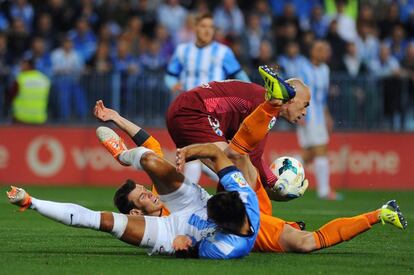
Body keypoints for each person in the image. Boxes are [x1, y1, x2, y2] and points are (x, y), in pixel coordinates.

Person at [91, 69, 407, 254]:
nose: (305, 113)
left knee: (240, 161)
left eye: (141, 191)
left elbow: (152, 146)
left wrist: (118, 118)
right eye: (305, 105)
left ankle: (380, 212)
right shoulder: (157, 226)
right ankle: (379, 213)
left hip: (242, 211)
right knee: (303, 239)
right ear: (136, 213)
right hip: (198, 120)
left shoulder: (164, 204)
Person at [7, 138, 260, 259]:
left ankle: (32, 202)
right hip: (193, 202)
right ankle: (125, 155)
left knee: (100, 221)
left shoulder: (227, 249)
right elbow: (217, 155)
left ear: (224, 227)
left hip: (169, 232)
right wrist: (189, 152)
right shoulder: (245, 196)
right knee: (149, 159)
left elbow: (190, 251)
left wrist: (184, 245)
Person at [166, 65, 308, 200]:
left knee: (235, 172)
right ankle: (221, 220)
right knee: (240, 174)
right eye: (305, 105)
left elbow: (247, 157)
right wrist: (277, 184)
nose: (305, 112)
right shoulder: (266, 107)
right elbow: (254, 159)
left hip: (185, 108)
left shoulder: (260, 99)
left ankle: (218, 218)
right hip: (193, 112)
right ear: (292, 100)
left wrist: (275, 185)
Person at [164, 12, 250, 184]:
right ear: (195, 28)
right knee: (199, 156)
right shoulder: (183, 51)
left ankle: (236, 184)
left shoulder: (223, 52)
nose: (207, 31)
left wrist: (247, 96)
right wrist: (174, 84)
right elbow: (170, 75)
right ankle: (239, 185)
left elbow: (241, 78)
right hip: (189, 110)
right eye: (203, 26)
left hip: (215, 110)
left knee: (203, 155)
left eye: (211, 27)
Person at [297, 40, 338, 200]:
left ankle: (280, 171)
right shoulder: (303, 69)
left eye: (326, 49)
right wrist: (300, 113)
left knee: (309, 154)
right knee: (320, 149)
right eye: (320, 49)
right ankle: (324, 190)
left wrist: (327, 116)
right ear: (312, 52)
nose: (324, 52)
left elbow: (323, 97)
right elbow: (297, 92)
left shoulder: (325, 70)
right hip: (308, 115)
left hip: (320, 116)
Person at [8, 56, 51, 124]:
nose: (20, 67)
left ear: (29, 66)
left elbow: (10, 96)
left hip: (21, 119)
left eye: (22, 65)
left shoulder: (20, 79)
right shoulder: (44, 79)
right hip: (40, 119)